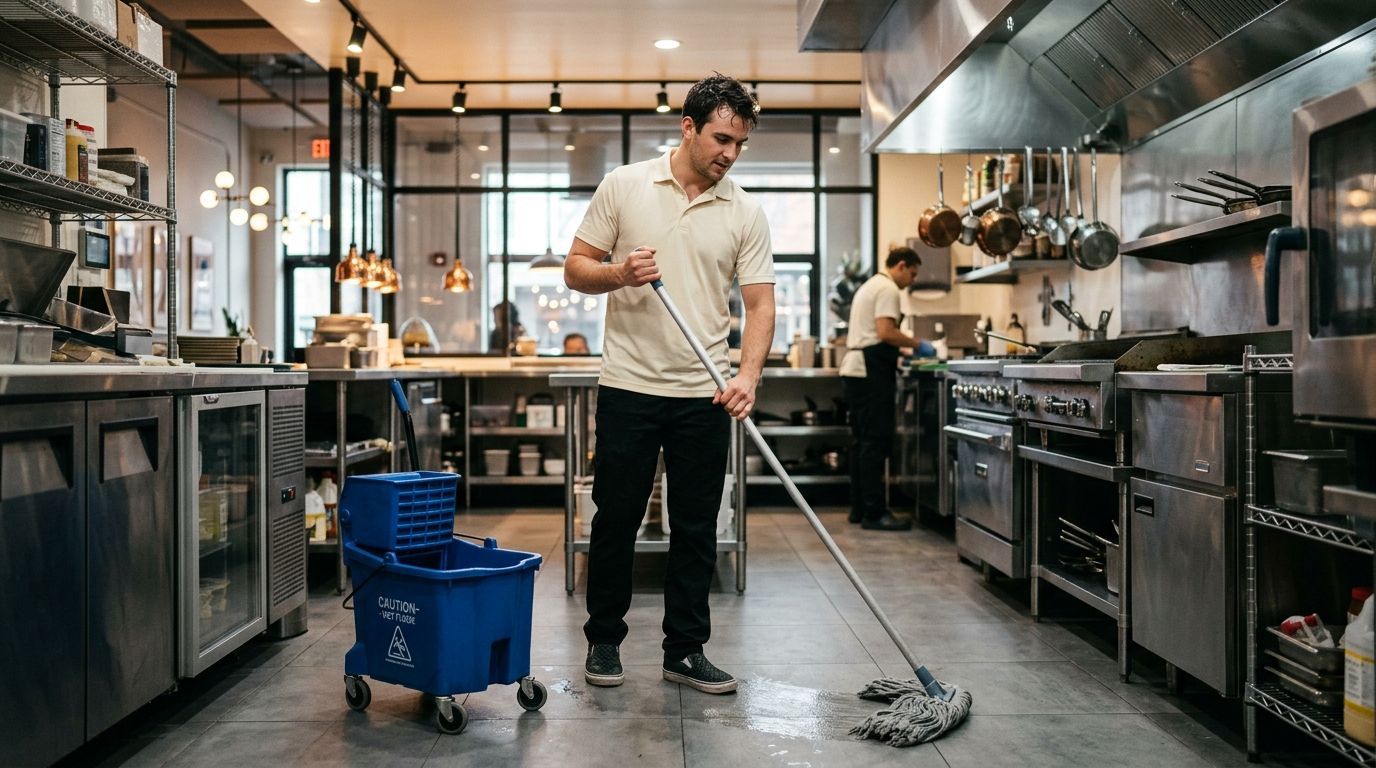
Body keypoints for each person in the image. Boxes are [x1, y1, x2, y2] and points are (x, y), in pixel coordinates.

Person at [564, 73, 774, 695]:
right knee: (615, 519)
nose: (729, 154)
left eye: (739, 144)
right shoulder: (625, 185)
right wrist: (620, 273)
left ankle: (685, 650)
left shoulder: (744, 209)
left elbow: (760, 305)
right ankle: (604, 642)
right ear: (687, 127)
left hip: (703, 392)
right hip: (629, 387)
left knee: (696, 526)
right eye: (720, 138)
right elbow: (576, 270)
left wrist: (748, 376)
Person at [840, 246, 933, 531]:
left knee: (861, 443)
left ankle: (859, 509)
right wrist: (918, 345)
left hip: (856, 369)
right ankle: (875, 513)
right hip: (869, 372)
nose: (913, 281)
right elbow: (885, 332)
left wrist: (901, 352)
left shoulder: (871, 285)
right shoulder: (888, 289)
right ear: (901, 266)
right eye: (913, 274)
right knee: (875, 443)